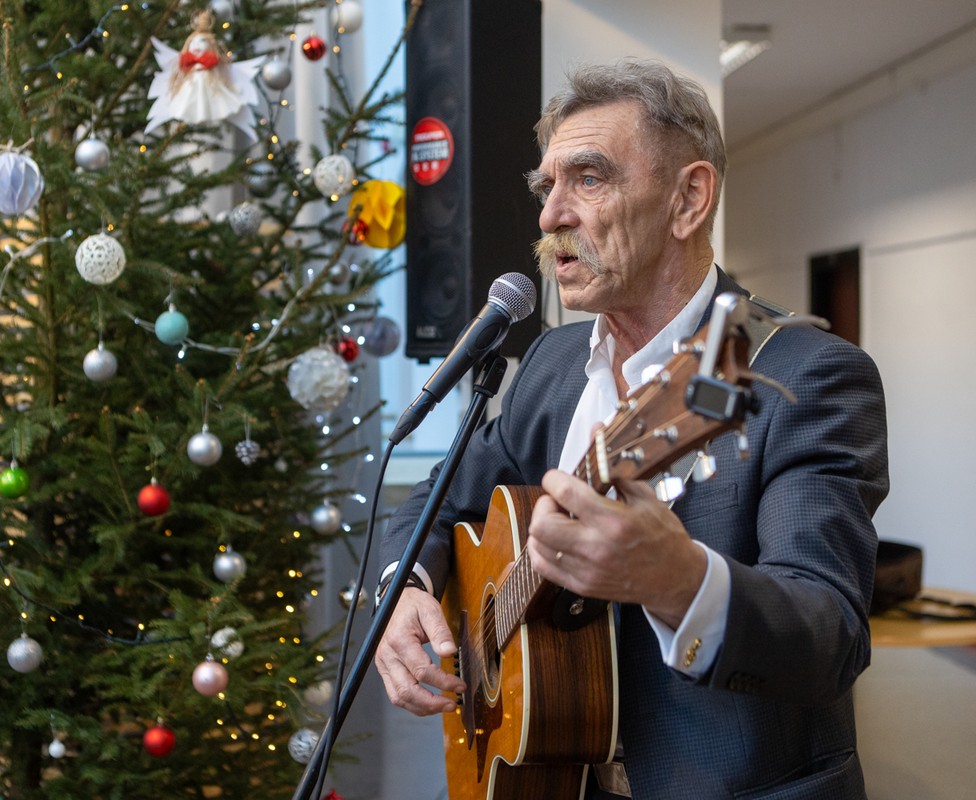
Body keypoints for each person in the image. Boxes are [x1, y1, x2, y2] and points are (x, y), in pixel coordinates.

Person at [374, 59, 889, 799]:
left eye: (588, 178)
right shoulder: (552, 362)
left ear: (688, 199)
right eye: (546, 188)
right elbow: (443, 495)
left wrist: (678, 581)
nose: (550, 216)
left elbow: (830, 634)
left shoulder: (803, 375)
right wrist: (403, 587)